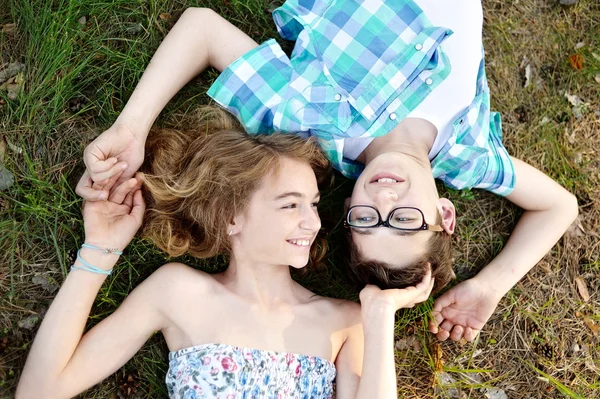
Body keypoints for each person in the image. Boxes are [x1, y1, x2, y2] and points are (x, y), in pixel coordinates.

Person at [78, 1, 578, 343]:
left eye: (367, 221)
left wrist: (133, 127)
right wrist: (489, 286)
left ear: (347, 209)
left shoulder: (314, 125)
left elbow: (202, 29)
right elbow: (559, 205)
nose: (385, 203)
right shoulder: (467, 157)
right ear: (445, 214)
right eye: (404, 221)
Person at [16, 107, 434, 398]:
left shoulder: (345, 322)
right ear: (231, 217)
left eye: (311, 204)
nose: (312, 222)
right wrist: (101, 248)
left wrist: (379, 319)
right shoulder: (177, 292)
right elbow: (40, 390)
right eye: (291, 204)